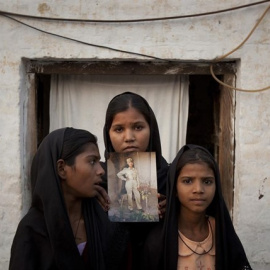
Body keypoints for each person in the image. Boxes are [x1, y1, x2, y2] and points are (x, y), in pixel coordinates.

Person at [9, 127, 128, 270]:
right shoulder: (32, 229)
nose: (101, 170)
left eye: (99, 161)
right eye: (92, 161)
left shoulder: (103, 219)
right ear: (61, 168)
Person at [143, 144, 252, 270]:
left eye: (207, 182)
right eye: (188, 181)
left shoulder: (222, 232)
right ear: (175, 189)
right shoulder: (158, 241)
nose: (198, 190)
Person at [102, 92, 169, 269]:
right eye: (119, 129)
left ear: (151, 129)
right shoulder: (96, 180)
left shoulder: (171, 178)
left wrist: (176, 210)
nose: (129, 137)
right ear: (108, 133)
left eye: (138, 127)